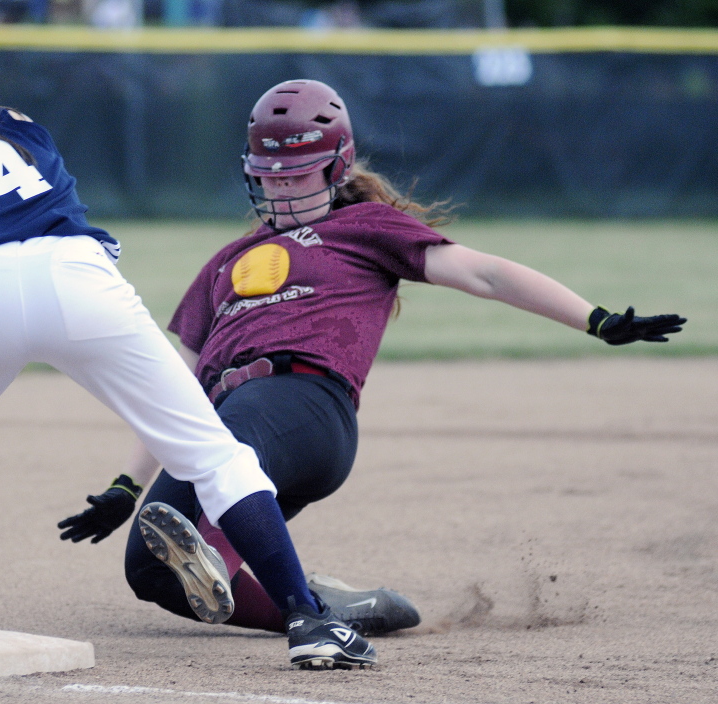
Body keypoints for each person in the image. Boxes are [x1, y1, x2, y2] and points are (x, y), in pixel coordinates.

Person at [0, 26, 376, 671]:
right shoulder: (22, 125)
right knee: (213, 455)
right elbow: (2, 215)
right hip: (76, 280)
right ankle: (307, 621)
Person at [58, 79, 687, 640]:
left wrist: (596, 319)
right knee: (150, 570)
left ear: (338, 166)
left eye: (297, 173)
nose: (279, 186)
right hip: (228, 424)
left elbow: (487, 275)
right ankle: (322, 609)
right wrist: (124, 487)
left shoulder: (366, 227)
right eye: (268, 174)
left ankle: (223, 555)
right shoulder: (223, 262)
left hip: (305, 413)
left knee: (230, 440)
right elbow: (173, 389)